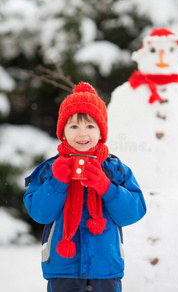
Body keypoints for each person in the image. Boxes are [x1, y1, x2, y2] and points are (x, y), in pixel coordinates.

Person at [23, 82, 146, 292]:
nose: (82, 134)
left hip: (106, 270)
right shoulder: (50, 170)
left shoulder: (114, 169)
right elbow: (40, 214)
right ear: (62, 132)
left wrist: (106, 186)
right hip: (63, 269)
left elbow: (132, 213)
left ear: (101, 132)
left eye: (90, 126)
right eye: (74, 126)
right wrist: (57, 181)